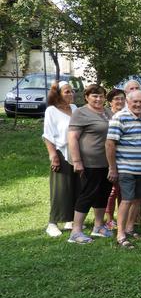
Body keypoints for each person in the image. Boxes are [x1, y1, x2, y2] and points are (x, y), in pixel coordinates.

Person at [66, 84, 112, 244]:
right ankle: (76, 231)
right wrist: (77, 161)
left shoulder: (108, 112)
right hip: (89, 163)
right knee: (87, 194)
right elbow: (72, 138)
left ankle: (98, 226)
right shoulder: (80, 113)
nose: (98, 99)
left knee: (103, 194)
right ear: (87, 97)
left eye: (101, 96)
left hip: (107, 162)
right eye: (94, 96)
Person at [106, 90, 141, 249]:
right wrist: (112, 168)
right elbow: (110, 144)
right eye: (135, 102)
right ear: (127, 102)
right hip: (126, 168)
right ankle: (120, 234)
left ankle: (130, 228)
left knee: (138, 199)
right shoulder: (119, 118)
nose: (138, 104)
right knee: (126, 200)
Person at [42, 81, 78, 237]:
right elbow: (47, 135)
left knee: (76, 187)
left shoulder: (75, 109)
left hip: (77, 153)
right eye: (67, 92)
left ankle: (70, 219)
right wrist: (53, 155)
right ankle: (52, 223)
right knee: (60, 189)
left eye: (72, 91)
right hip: (61, 153)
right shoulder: (51, 111)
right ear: (58, 94)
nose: (71, 94)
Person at [104, 88, 127, 229]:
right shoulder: (106, 115)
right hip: (110, 156)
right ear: (110, 101)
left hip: (125, 156)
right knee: (112, 189)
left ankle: (122, 217)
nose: (120, 101)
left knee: (122, 190)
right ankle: (109, 218)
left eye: (122, 98)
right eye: (116, 99)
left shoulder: (126, 114)